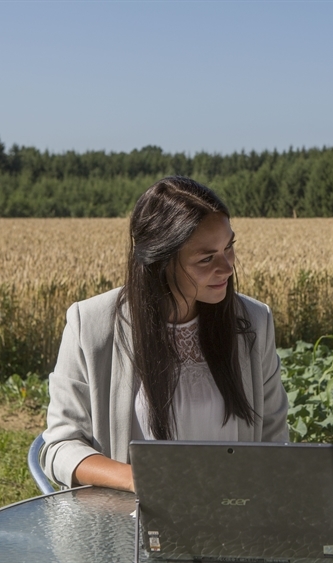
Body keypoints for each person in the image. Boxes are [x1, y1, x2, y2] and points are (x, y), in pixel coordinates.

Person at [40, 176, 289, 492]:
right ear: (161, 260)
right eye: (206, 258)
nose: (226, 268)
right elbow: (60, 447)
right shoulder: (91, 325)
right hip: (130, 524)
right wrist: (142, 481)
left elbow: (275, 441)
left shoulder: (254, 321)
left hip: (232, 520)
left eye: (229, 248)